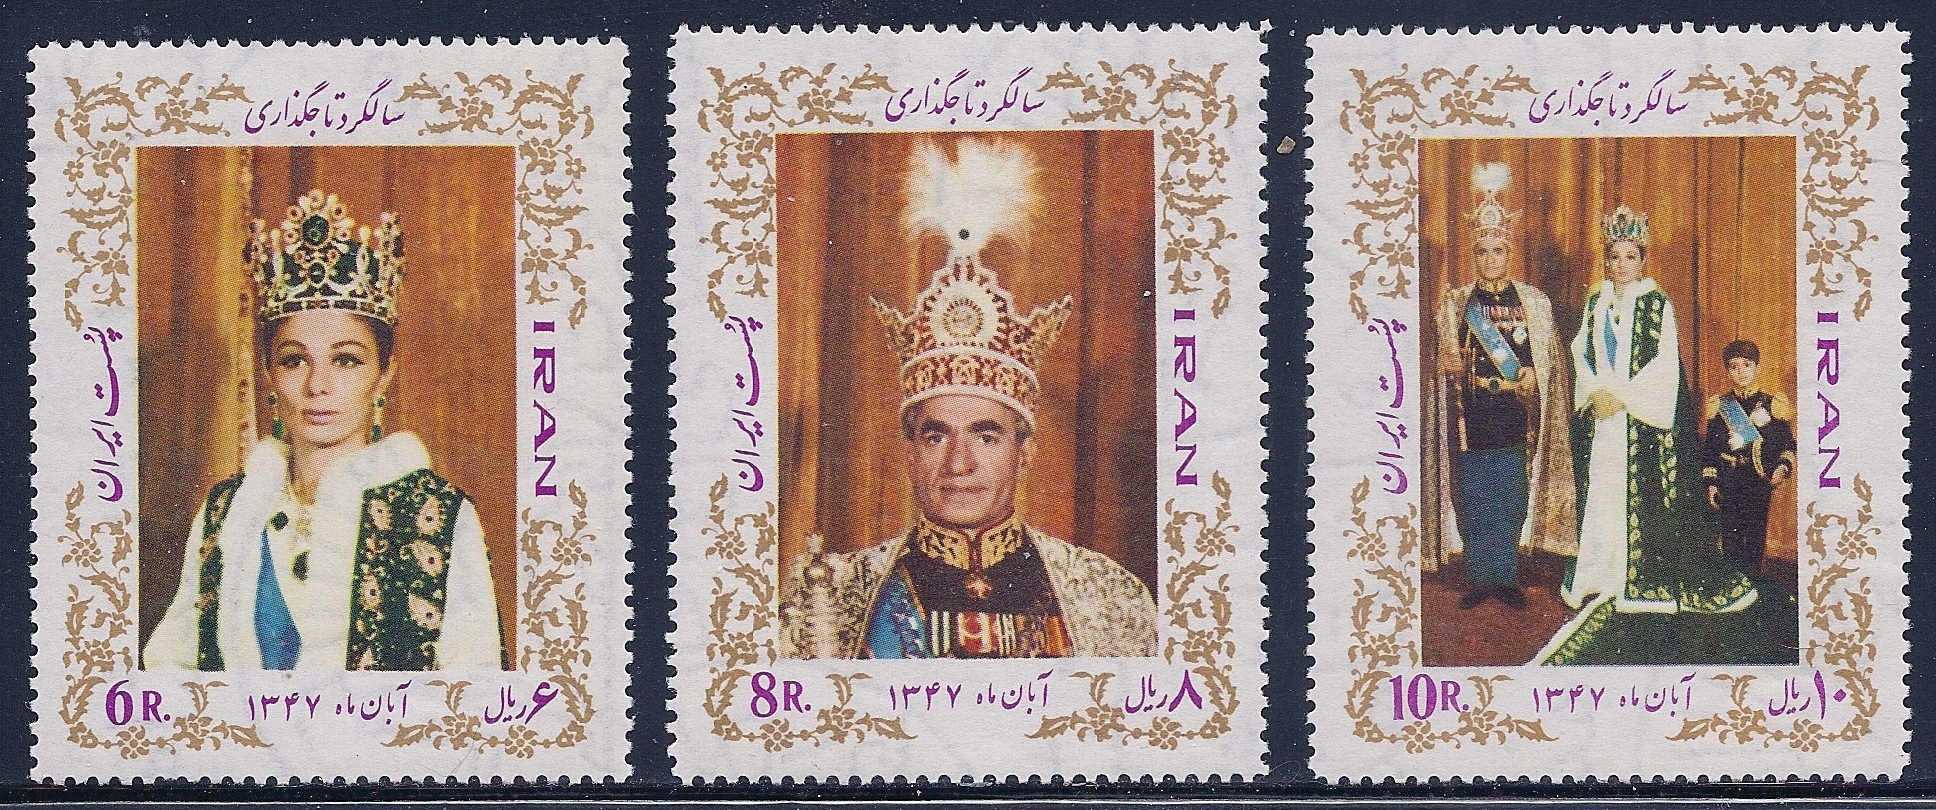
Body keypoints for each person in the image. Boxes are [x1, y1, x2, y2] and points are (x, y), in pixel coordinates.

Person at [778, 140, 1156, 660]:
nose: (959, 464)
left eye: (986, 435)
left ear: (1025, 451)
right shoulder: (833, 601)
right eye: (937, 436)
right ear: (909, 450)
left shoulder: (1108, 598)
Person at [145, 189, 501, 671]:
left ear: (384, 376)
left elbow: (475, 695)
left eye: (346, 360)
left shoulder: (437, 515)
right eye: (295, 361)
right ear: (269, 375)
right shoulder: (227, 512)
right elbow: (170, 676)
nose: (318, 385)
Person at [1558, 205, 1757, 618]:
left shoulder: (1657, 303)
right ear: (1607, 259)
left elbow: (1665, 364)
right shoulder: (1595, 301)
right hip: (1603, 416)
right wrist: (1595, 393)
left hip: (1638, 416)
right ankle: (1602, 574)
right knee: (1603, 493)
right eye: (1615, 256)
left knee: (1639, 498)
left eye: (1630, 256)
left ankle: (1637, 577)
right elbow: (1581, 352)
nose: (1622, 264)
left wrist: (1623, 397)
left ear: (1642, 259)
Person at [1423, 163, 1575, 610]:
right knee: (1475, 497)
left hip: (1514, 415)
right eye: (1484, 252)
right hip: (1471, 419)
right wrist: (1445, 362)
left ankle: (1505, 577)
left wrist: (1532, 376)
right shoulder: (1456, 304)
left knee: (1509, 497)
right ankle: (1480, 577)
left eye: (1498, 251)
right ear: (1475, 255)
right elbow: (1442, 365)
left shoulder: (1533, 303)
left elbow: (1547, 363)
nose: (1491, 259)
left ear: (1509, 253)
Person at [1702, 340, 1796, 572]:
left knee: (1755, 536)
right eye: (1734, 367)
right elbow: (1711, 450)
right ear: (1727, 371)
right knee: (1730, 537)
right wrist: (1711, 483)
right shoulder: (1720, 406)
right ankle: (1735, 584)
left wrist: (1782, 467)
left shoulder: (1773, 404)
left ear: (1757, 367)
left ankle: (1754, 581)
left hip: (1757, 480)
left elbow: (1787, 445)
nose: (1741, 372)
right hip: (1728, 480)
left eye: (1747, 365)